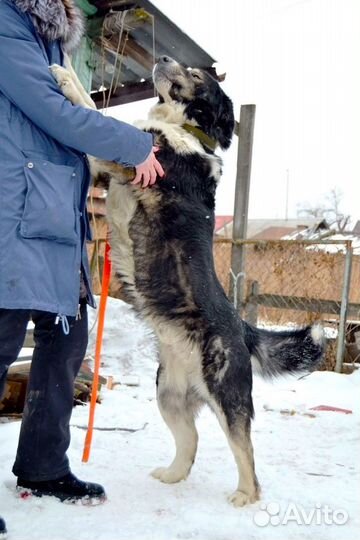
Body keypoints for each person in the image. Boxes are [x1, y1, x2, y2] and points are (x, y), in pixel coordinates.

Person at [0, 0, 164, 513]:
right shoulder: (6, 20)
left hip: (51, 213)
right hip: (13, 212)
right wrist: (132, 144)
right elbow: (53, 112)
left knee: (66, 339)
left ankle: (44, 466)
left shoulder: (47, 34)